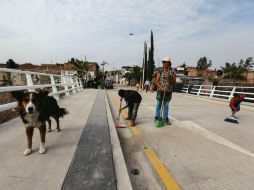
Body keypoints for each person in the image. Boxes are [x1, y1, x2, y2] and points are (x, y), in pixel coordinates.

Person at [154, 57, 176, 125]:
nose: (165, 63)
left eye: (166, 62)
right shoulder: (160, 70)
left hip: (168, 91)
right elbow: (156, 81)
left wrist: (170, 78)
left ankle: (165, 119)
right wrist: (161, 88)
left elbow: (174, 82)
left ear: (169, 63)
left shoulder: (172, 71)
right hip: (160, 90)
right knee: (158, 104)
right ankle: (157, 117)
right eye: (164, 62)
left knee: (166, 105)